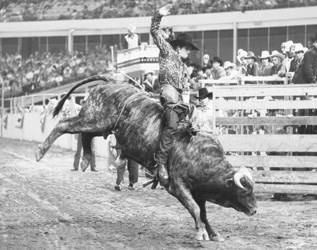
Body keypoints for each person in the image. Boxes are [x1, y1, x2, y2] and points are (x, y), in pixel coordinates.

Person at [150, 3, 199, 184]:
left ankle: (179, 163)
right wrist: (159, 15)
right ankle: (160, 162)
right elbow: (154, 31)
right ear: (179, 48)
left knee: (189, 126)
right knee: (171, 125)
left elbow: (185, 87)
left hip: (178, 95)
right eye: (187, 49)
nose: (189, 52)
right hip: (168, 91)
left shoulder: (183, 66)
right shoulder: (167, 51)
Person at [71, 98, 97, 172]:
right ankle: (75, 167)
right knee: (78, 150)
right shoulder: (81, 113)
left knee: (92, 151)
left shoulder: (92, 112)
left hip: (90, 133)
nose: (85, 104)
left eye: (86, 102)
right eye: (84, 102)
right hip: (82, 133)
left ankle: (93, 167)